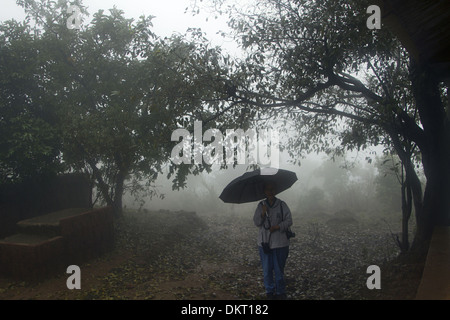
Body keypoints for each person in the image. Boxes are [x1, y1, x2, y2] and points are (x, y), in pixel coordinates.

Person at [253, 182, 293, 300]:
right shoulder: (261, 205)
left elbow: (289, 221)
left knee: (279, 269)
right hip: (265, 243)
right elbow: (256, 223)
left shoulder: (282, 205)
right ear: (264, 192)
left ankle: (280, 292)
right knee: (266, 269)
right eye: (267, 189)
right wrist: (263, 213)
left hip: (280, 243)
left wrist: (277, 227)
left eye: (272, 189)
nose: (270, 192)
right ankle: (269, 291)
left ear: (275, 191)